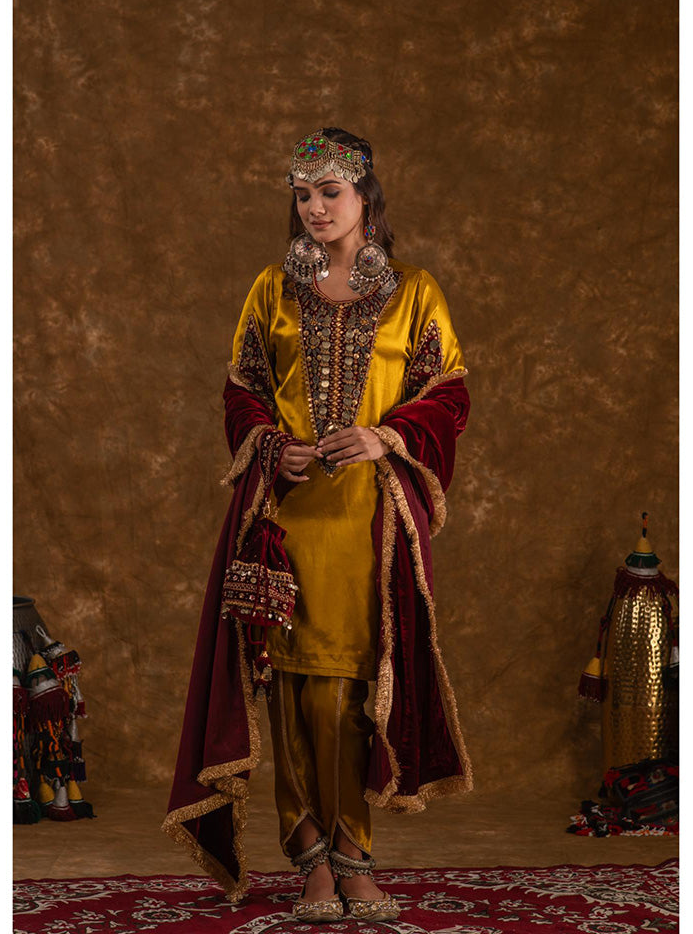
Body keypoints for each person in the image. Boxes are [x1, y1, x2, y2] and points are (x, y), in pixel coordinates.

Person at [162, 128, 473, 923]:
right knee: (290, 691)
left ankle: (354, 854)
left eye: (331, 192)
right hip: (284, 518)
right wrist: (272, 447)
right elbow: (242, 388)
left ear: (366, 196)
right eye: (303, 195)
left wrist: (384, 436)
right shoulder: (273, 290)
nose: (316, 208)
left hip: (369, 523)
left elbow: (448, 391)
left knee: (347, 695)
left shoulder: (414, 293)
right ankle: (311, 860)